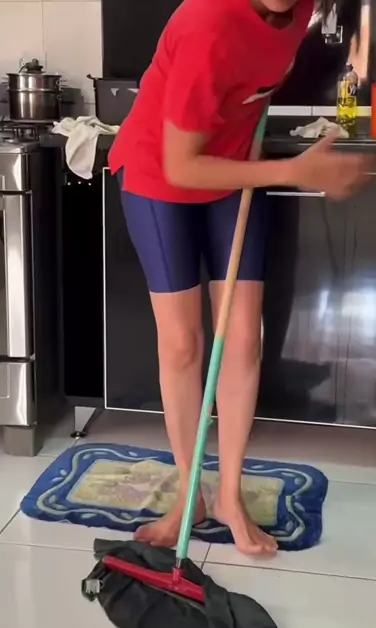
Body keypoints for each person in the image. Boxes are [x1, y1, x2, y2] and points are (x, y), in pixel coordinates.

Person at [109, 0, 372, 556]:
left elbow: (256, 78)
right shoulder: (207, 23)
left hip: (231, 169)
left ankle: (229, 495)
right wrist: (294, 170)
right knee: (183, 344)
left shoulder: (300, 10)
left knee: (245, 339)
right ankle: (190, 496)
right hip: (162, 172)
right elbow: (182, 164)